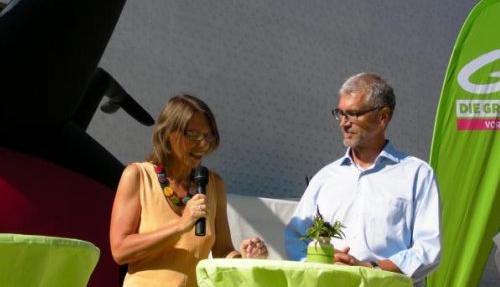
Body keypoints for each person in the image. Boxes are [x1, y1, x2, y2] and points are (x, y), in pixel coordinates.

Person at [284, 72, 441, 286]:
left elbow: (428, 249)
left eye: (353, 114)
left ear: (383, 117)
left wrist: (371, 269)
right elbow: (296, 238)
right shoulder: (325, 177)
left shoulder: (417, 174)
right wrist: (323, 265)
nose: (343, 123)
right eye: (340, 113)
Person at [110, 94, 268, 287]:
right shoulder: (137, 176)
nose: (202, 144)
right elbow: (120, 250)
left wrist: (245, 259)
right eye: (192, 135)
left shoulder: (214, 184)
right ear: (167, 133)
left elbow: (222, 250)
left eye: (208, 136)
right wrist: (179, 226)